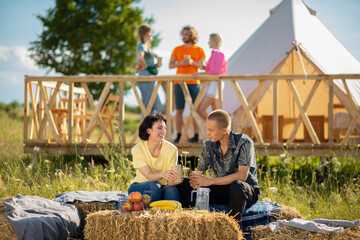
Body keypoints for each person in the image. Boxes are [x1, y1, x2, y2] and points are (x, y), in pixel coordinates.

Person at [176, 109, 260, 221]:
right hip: (222, 189)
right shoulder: (208, 145)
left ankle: (232, 228)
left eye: (211, 130)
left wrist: (209, 181)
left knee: (237, 186)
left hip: (244, 191)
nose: (207, 133)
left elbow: (242, 176)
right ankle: (189, 223)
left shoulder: (244, 142)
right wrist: (195, 180)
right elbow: (199, 171)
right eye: (207, 129)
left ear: (224, 130)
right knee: (182, 184)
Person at [128, 113, 180, 203]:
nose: (164, 132)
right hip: (140, 186)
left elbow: (170, 182)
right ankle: (151, 215)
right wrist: (163, 174)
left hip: (162, 186)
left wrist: (175, 180)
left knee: (171, 189)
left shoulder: (172, 149)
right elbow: (149, 176)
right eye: (159, 128)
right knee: (154, 186)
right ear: (149, 130)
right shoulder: (138, 149)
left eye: (165, 128)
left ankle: (174, 216)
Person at [169, 25, 206, 143]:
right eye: (183, 34)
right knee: (179, 109)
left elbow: (204, 66)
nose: (183, 36)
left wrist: (192, 62)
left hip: (194, 83)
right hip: (179, 82)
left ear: (192, 36)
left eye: (186, 34)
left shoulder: (199, 50)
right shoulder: (177, 49)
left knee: (195, 109)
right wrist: (180, 63)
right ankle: (179, 135)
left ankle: (196, 135)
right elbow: (170, 65)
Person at [197, 33, 227, 120]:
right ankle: (218, 129)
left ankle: (215, 126)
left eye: (209, 40)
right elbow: (215, 69)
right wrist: (205, 68)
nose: (208, 42)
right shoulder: (218, 53)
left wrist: (199, 74)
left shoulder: (216, 53)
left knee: (201, 110)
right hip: (216, 84)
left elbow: (215, 72)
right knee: (216, 112)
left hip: (214, 85)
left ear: (214, 41)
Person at [136, 24, 163, 114]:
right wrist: (146, 67)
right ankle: (144, 127)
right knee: (148, 107)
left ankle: (150, 127)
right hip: (145, 76)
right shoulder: (141, 45)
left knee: (155, 107)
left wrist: (153, 66)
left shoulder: (146, 46)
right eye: (150, 33)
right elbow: (140, 58)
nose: (151, 35)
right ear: (145, 34)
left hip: (148, 76)